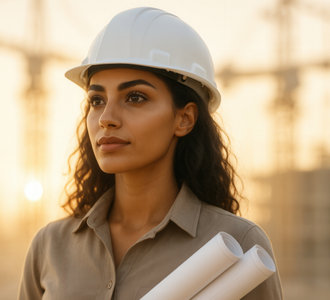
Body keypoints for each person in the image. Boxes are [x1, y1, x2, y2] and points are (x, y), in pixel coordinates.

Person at [18, 7, 283, 300]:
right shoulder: (50, 246)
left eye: (135, 97)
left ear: (184, 119)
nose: (107, 117)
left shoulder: (240, 246)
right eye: (96, 100)